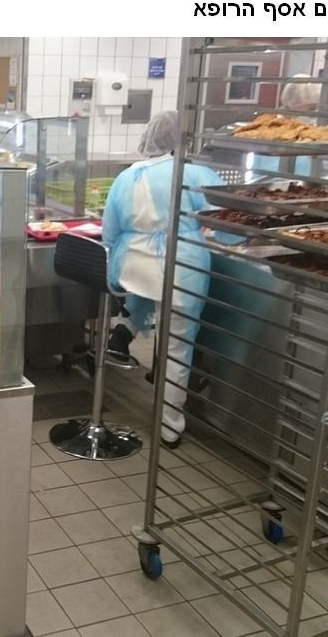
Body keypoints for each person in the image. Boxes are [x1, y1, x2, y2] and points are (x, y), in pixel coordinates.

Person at [102, 111, 225, 449]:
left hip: (133, 267)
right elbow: (229, 221)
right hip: (180, 267)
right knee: (177, 346)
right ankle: (169, 426)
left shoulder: (127, 176)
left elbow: (109, 232)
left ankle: (125, 328)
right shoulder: (194, 174)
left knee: (146, 297)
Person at [253, 75, 321, 177]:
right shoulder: (272, 128)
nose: (313, 113)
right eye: (311, 108)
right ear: (295, 103)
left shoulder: (303, 130)